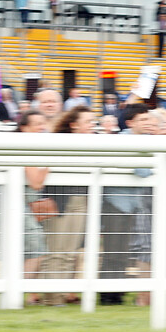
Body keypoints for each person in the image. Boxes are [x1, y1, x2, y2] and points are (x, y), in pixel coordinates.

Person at [100, 104, 155, 306]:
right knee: (114, 251)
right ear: (130, 123)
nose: (148, 123)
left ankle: (116, 293)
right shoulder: (124, 139)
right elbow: (142, 171)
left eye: (148, 119)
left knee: (121, 251)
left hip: (129, 204)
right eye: (143, 120)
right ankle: (109, 296)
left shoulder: (145, 140)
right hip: (116, 203)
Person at [41, 106, 96, 305]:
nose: (92, 125)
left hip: (82, 201)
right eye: (88, 121)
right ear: (74, 125)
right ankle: (52, 298)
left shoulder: (95, 144)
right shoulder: (57, 143)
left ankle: (61, 295)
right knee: (56, 251)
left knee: (70, 253)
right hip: (60, 202)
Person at [19, 110, 49, 305]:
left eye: (42, 123)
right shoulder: (23, 147)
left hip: (25, 205)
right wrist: (51, 159)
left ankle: (27, 294)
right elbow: (36, 183)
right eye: (36, 123)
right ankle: (22, 293)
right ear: (24, 128)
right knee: (36, 248)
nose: (41, 127)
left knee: (31, 249)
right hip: (16, 205)